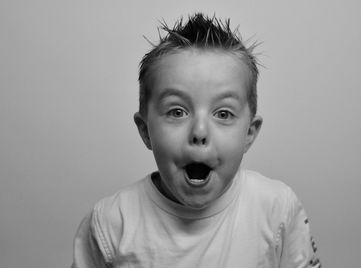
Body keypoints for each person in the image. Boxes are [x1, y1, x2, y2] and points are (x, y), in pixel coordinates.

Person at [72, 13, 321, 268]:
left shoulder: (278, 209)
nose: (199, 131)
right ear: (146, 131)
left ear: (249, 133)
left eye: (223, 114)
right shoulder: (110, 224)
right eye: (177, 112)